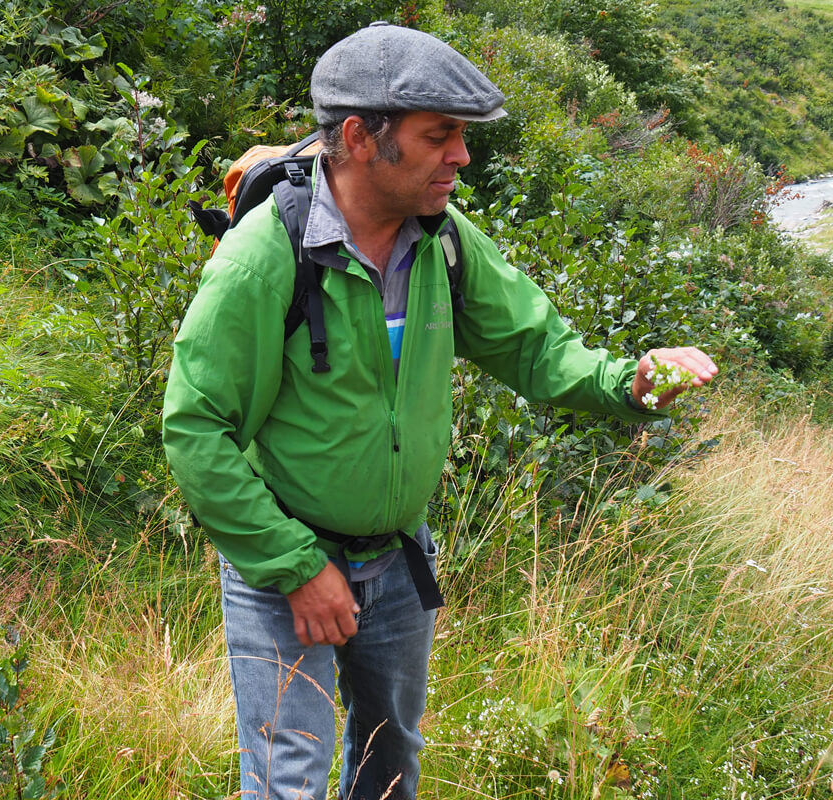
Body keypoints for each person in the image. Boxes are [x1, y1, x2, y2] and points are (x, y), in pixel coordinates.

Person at [161, 22, 717, 800]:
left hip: (395, 560)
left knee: (389, 766)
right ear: (360, 137)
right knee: (288, 781)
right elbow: (195, 428)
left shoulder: (444, 241)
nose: (460, 156)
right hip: (283, 566)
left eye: (460, 136)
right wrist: (295, 568)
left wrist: (631, 383)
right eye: (440, 136)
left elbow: (536, 347)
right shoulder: (265, 257)